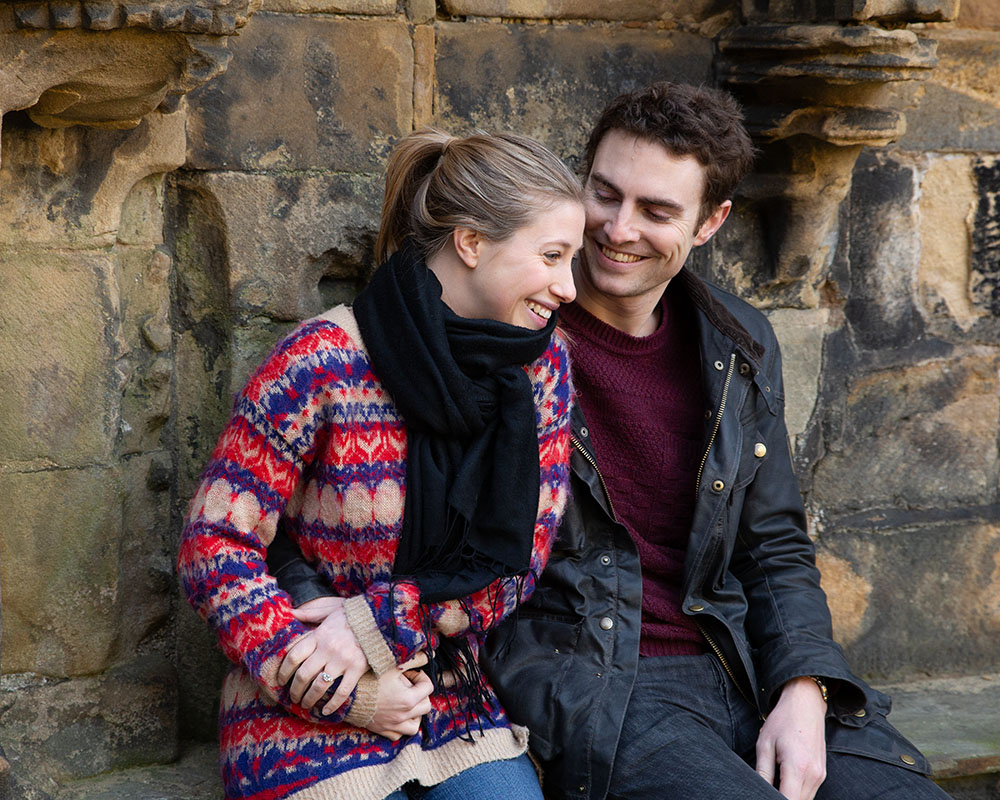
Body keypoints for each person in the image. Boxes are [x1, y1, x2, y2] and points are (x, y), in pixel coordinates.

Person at [270, 83, 952, 800]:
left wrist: (806, 686)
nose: (618, 229)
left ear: (710, 222)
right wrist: (332, 622)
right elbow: (324, 505)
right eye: (605, 194)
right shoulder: (494, 335)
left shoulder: (738, 344)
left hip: (740, 662)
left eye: (657, 211)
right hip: (594, 677)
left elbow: (773, 545)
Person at [178, 127, 585, 800]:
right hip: (295, 714)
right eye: (551, 255)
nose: (569, 287)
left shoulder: (541, 371)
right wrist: (336, 689)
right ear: (472, 243)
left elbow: (519, 562)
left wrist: (372, 629)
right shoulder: (321, 362)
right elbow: (214, 543)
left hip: (446, 701)